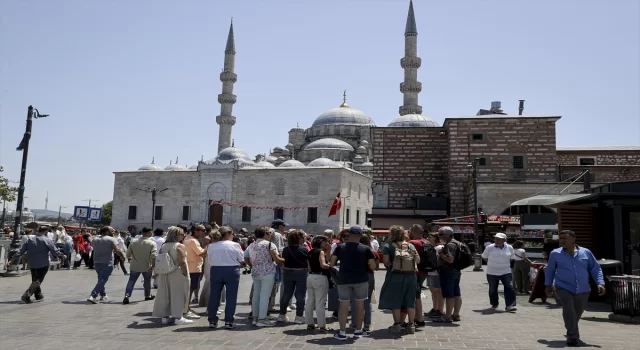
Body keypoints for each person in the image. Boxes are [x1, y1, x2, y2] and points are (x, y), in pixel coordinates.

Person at [545, 230, 605, 347]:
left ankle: (570, 327)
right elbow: (550, 270)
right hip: (563, 286)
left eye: (564, 238)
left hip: (583, 288)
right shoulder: (555, 253)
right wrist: (548, 285)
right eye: (560, 238)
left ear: (573, 239)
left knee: (577, 313)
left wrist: (600, 283)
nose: (562, 240)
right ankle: (573, 336)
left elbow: (595, 268)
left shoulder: (586, 252)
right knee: (569, 310)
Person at [330, 225, 377, 341]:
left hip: (344, 279)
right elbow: (373, 266)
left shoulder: (340, 247)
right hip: (361, 279)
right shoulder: (366, 249)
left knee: (343, 304)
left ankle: (342, 332)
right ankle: (358, 330)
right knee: (360, 305)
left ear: (349, 235)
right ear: (361, 236)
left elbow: (331, 263)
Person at [379, 225, 421, 334]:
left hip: (395, 276)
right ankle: (411, 325)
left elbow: (386, 262)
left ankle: (397, 324)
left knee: (395, 300)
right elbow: (418, 261)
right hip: (411, 276)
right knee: (410, 300)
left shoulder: (388, 246)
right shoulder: (410, 246)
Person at [7, 226, 66, 303]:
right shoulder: (47, 240)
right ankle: (27, 295)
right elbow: (54, 251)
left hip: (32, 263)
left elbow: (21, 251)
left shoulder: (30, 240)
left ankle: (38, 294)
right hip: (43, 264)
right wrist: (62, 255)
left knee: (35, 279)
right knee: (38, 280)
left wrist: (12, 260)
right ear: (46, 231)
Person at [152, 226, 193, 325]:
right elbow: (182, 262)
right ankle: (178, 317)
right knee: (179, 294)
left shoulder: (164, 246)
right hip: (177, 272)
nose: (184, 236)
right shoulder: (179, 246)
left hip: (165, 272)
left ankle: (165, 317)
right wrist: (185, 274)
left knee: (165, 294)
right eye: (182, 234)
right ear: (176, 235)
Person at [206, 226, 245, 329]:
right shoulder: (235, 245)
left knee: (214, 296)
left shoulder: (211, 246)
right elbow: (241, 260)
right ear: (228, 234)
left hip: (216, 269)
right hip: (231, 270)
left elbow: (210, 260)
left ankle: (212, 320)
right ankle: (228, 321)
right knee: (231, 297)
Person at [248, 226, 284, 327]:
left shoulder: (252, 244)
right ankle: (262, 318)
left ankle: (255, 317)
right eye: (268, 233)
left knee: (256, 294)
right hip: (268, 272)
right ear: (265, 234)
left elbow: (246, 256)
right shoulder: (270, 245)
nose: (270, 235)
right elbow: (276, 259)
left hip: (256, 271)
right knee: (264, 295)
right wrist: (286, 260)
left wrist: (252, 265)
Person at [87, 226, 126, 304]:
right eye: (112, 231)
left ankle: (103, 294)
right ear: (107, 232)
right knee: (103, 279)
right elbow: (117, 250)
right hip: (107, 262)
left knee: (101, 278)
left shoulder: (95, 239)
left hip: (97, 262)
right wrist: (122, 256)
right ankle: (93, 295)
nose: (113, 232)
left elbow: (90, 240)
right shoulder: (112, 239)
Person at [278, 229, 308, 324]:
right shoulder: (304, 249)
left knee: (286, 294)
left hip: (288, 272)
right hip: (301, 273)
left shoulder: (286, 249)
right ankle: (299, 316)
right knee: (300, 295)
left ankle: (282, 315)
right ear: (299, 239)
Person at [481, 232, 517, 312]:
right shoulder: (489, 247)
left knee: (509, 287)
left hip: (506, 271)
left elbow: (511, 258)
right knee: (493, 289)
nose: (497, 240)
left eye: (499, 239)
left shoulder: (509, 247)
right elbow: (484, 257)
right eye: (496, 239)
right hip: (492, 272)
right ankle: (494, 304)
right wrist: (493, 264)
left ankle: (510, 305)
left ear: (504, 240)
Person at [350, 234, 379, 332]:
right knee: (367, 300)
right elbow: (376, 267)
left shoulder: (355, 251)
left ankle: (354, 322)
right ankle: (367, 323)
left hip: (356, 275)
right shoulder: (373, 252)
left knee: (355, 300)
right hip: (369, 276)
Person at [123, 227, 157, 304]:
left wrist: (130, 259)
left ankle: (127, 295)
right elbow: (153, 255)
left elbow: (128, 254)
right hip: (147, 266)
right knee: (147, 281)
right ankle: (147, 295)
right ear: (149, 233)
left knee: (131, 281)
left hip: (135, 266)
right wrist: (153, 266)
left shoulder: (133, 242)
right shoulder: (152, 243)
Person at [305, 235, 333, 331]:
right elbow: (323, 265)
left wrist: (328, 251)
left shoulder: (309, 252)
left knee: (310, 301)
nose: (327, 243)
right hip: (320, 277)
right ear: (320, 242)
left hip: (310, 276)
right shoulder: (320, 252)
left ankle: (310, 323)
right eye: (325, 242)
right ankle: (322, 325)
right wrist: (331, 266)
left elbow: (309, 268)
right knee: (320, 302)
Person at [436, 226, 462, 323]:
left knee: (449, 294)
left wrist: (441, 254)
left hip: (448, 271)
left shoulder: (450, 245)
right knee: (456, 293)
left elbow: (450, 259)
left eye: (441, 234)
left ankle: (447, 316)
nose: (439, 236)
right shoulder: (457, 243)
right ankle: (456, 314)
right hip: (456, 271)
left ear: (447, 235)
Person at [184, 224, 207, 313]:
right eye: (202, 230)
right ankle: (186, 309)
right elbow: (201, 253)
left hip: (191, 267)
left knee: (190, 288)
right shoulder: (193, 241)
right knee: (191, 289)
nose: (204, 233)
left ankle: (186, 307)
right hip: (193, 268)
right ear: (196, 231)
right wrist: (207, 246)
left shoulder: (188, 239)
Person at [424, 232, 445, 319]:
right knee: (433, 292)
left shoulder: (440, 248)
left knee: (438, 292)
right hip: (430, 272)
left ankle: (440, 310)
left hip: (437, 273)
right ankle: (435, 308)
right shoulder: (432, 247)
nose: (428, 238)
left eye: (430, 237)